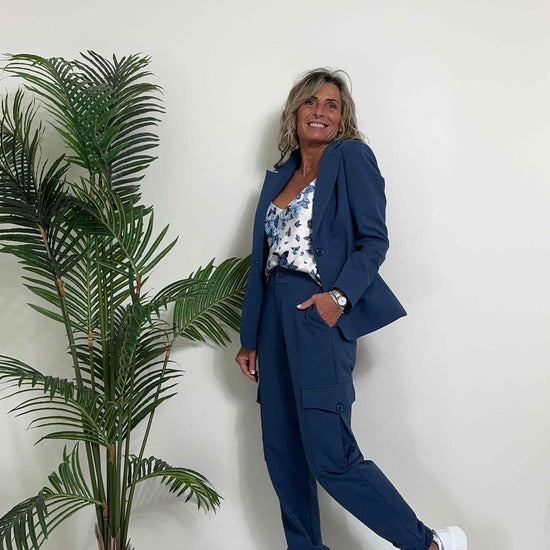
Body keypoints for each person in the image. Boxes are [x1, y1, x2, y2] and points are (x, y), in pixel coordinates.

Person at [234, 68, 467, 550]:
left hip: (316, 313)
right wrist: (250, 337)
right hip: (273, 319)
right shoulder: (280, 175)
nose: (319, 112)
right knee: (282, 452)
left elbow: (374, 240)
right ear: (295, 110)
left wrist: (338, 298)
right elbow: (261, 262)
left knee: (331, 455)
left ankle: (427, 544)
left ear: (342, 117)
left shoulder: (352, 157)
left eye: (331, 105)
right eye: (310, 102)